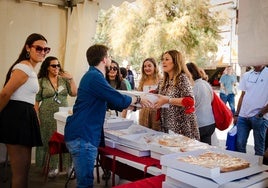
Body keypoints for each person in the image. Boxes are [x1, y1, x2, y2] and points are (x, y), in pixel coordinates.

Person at [64, 44, 152, 188]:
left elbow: (109, 101)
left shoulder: (93, 76)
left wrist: (134, 106)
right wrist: (137, 99)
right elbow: (115, 97)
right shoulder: (94, 77)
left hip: (82, 134)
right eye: (109, 56)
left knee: (85, 181)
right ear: (104, 59)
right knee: (85, 183)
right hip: (83, 135)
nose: (110, 59)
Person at [0, 33, 49, 188]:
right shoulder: (23, 67)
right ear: (28, 48)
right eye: (39, 48)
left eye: (46, 49)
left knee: (24, 169)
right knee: (20, 172)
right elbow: (5, 93)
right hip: (17, 118)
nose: (42, 52)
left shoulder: (29, 69)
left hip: (23, 117)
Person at [34, 56, 77, 177]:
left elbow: (74, 93)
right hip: (46, 116)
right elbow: (36, 101)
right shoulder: (41, 81)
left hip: (63, 115)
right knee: (50, 140)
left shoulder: (64, 80)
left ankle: (69, 167)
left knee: (66, 139)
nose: (56, 68)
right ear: (47, 67)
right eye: (53, 65)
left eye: (58, 65)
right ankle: (53, 167)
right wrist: (36, 117)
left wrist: (71, 79)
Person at [154, 50, 200, 140]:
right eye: (162, 59)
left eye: (167, 59)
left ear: (176, 62)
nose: (163, 62)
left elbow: (190, 101)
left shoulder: (182, 78)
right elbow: (156, 95)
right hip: (166, 126)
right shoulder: (163, 81)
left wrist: (168, 100)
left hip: (182, 129)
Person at [234, 65, 268, 156]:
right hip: (243, 116)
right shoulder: (246, 75)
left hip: (260, 117)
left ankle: (258, 169)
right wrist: (237, 114)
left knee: (259, 148)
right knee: (239, 144)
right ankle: (243, 168)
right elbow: (242, 95)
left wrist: (261, 113)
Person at [186, 62, 215, 145]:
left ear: (190, 73)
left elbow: (189, 105)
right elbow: (211, 99)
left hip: (199, 124)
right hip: (210, 123)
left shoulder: (194, 87)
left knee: (197, 151)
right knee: (206, 150)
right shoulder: (206, 84)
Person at [137, 58, 162, 131]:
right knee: (143, 134)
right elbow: (139, 96)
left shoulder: (161, 80)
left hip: (157, 113)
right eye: (145, 66)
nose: (147, 68)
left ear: (155, 67)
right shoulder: (142, 81)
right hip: (144, 112)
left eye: (149, 66)